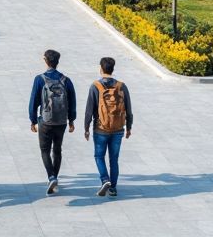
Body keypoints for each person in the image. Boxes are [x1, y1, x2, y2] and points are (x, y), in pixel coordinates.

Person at [83, 56, 134, 197]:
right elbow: (129, 109)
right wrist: (129, 127)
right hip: (118, 129)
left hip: (101, 128)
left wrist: (86, 128)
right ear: (113, 69)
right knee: (114, 159)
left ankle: (105, 179)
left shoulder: (95, 86)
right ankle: (113, 188)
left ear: (101, 69)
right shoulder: (121, 86)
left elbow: (89, 110)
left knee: (99, 156)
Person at [29, 49, 77, 195]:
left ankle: (51, 177)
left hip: (45, 121)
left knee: (44, 150)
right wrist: (71, 120)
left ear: (45, 61)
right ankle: (54, 178)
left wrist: (32, 120)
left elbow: (34, 101)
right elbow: (72, 101)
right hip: (61, 121)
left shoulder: (40, 79)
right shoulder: (66, 80)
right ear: (57, 62)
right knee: (57, 149)